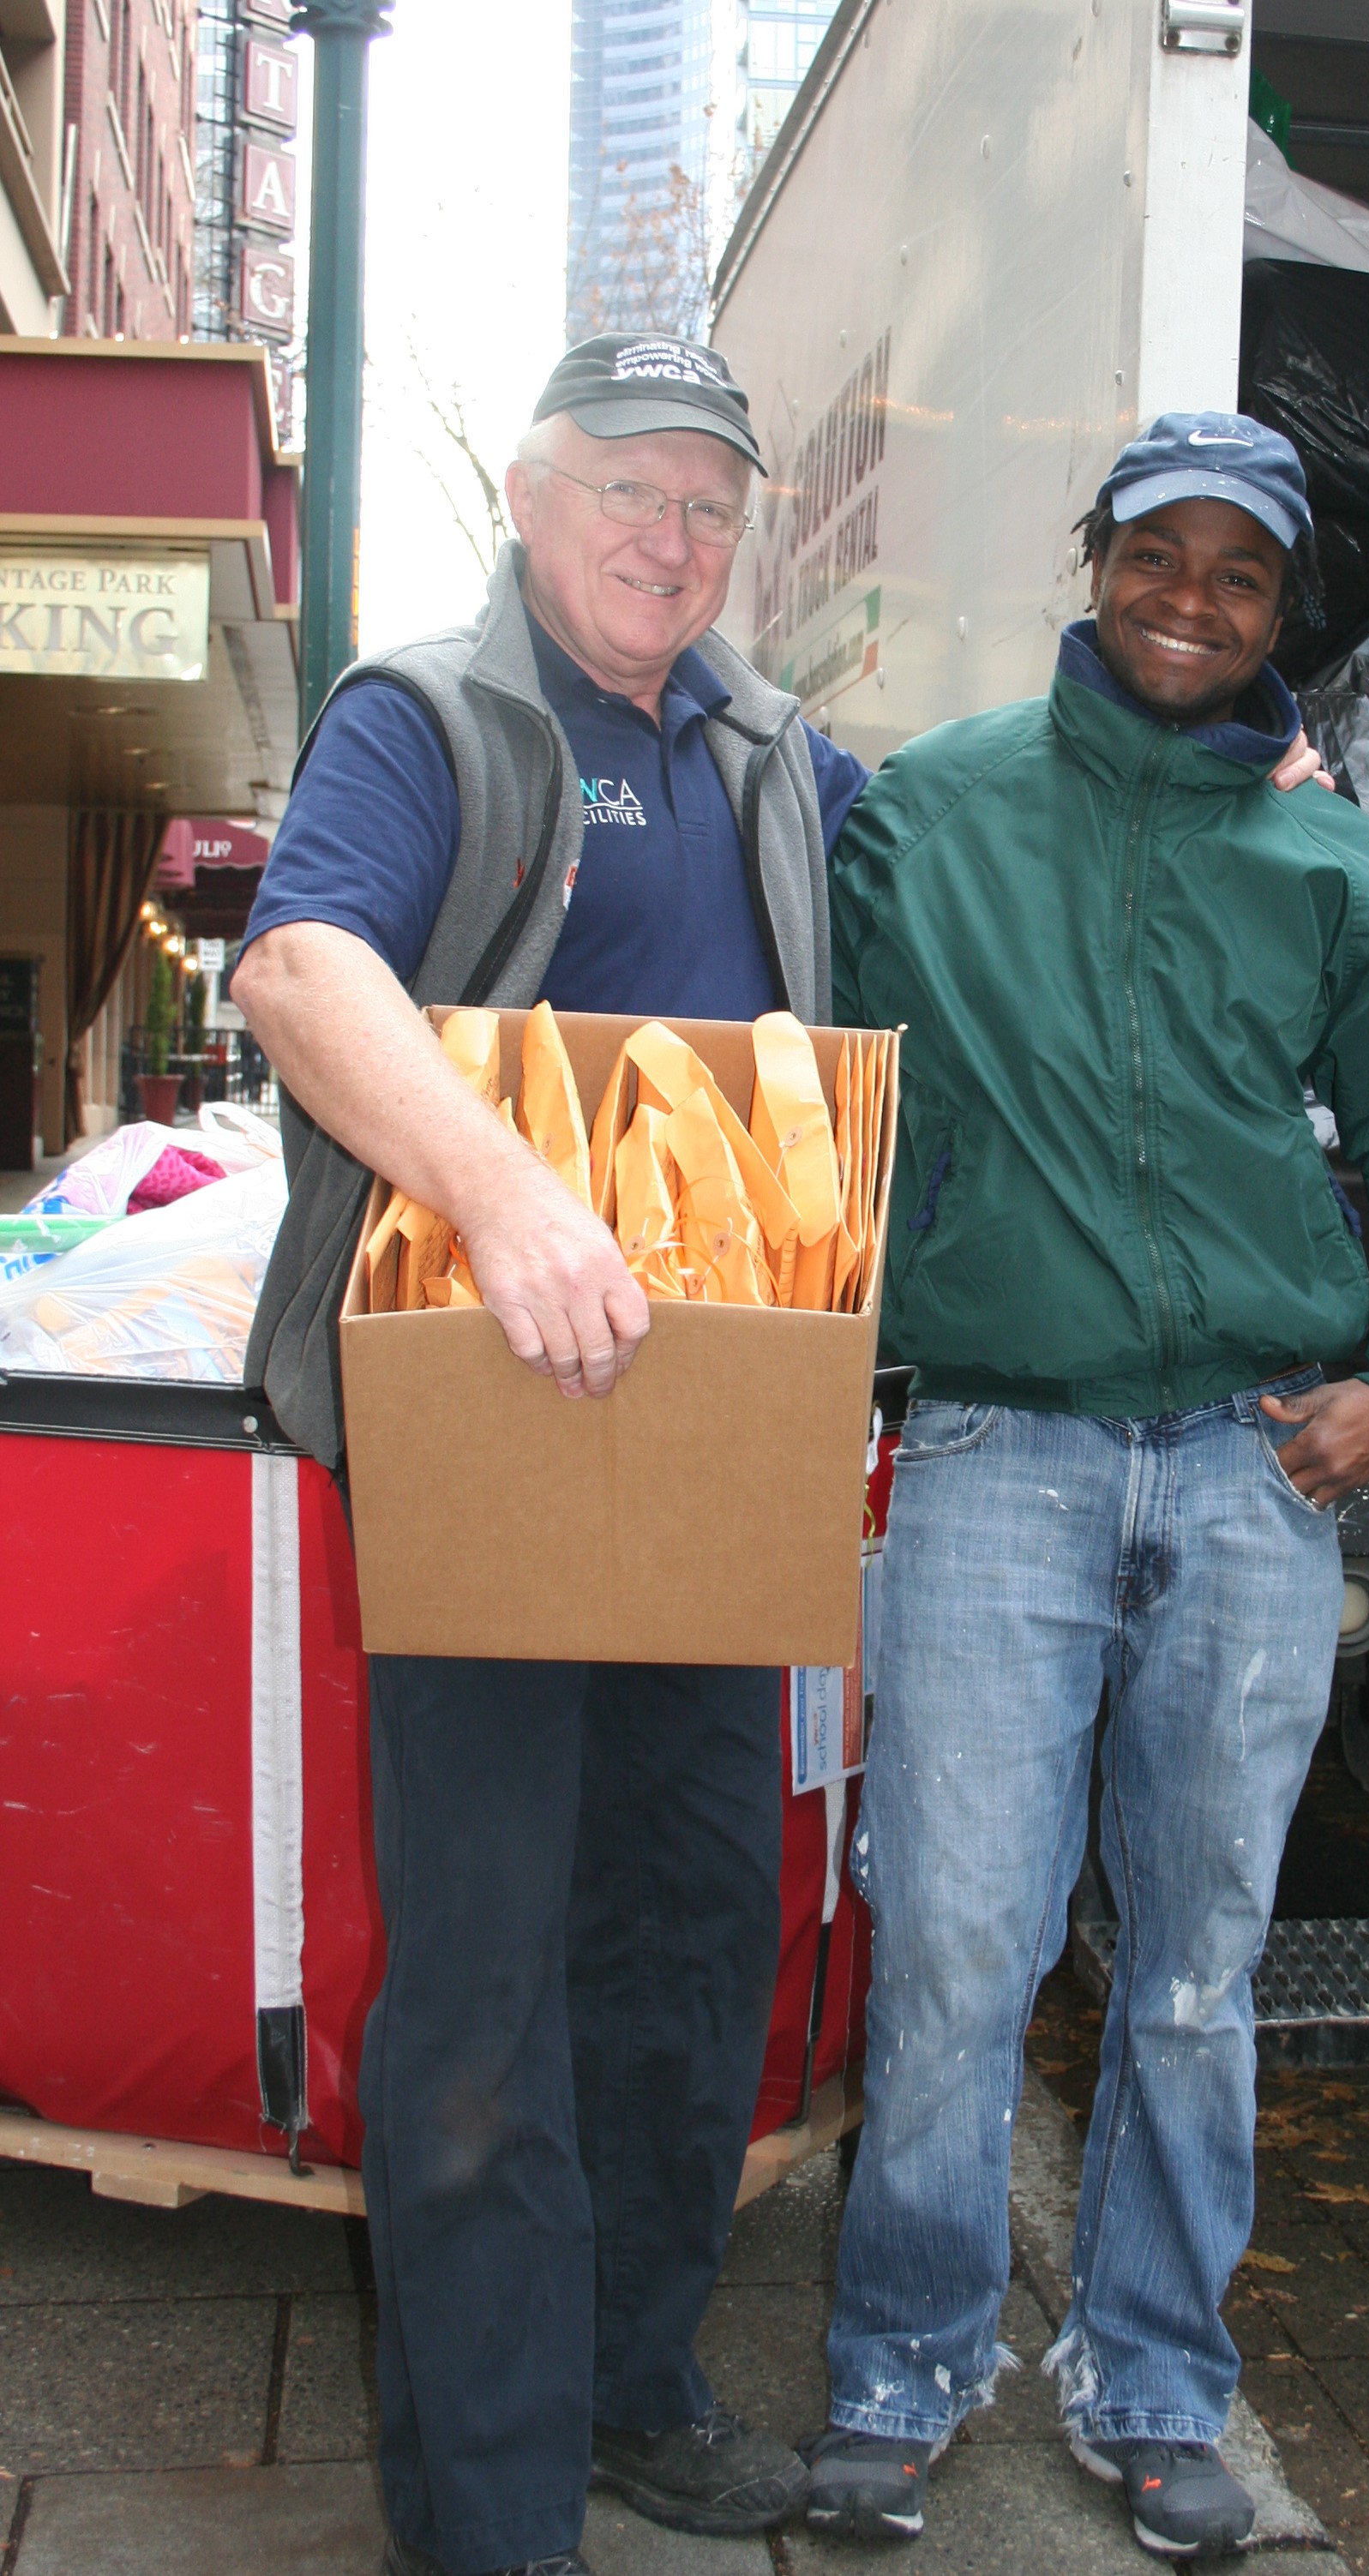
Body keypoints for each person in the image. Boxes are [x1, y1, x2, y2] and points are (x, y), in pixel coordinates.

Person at [802, 415, 1369, 2556]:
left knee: (1200, 1961)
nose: (1190, 596)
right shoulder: (923, 819)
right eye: (1158, 553)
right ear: (1096, 560)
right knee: (952, 1940)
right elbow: (804, 1095)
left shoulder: (1333, 871)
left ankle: (1152, 2381)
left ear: (1281, 603)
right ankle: (903, 2367)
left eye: (1239, 569)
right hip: (989, 1460)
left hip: (1251, 1474)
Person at [232, 334, 874, 2576]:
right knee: (487, 1981)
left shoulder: (774, 752)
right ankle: (491, 2503)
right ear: (527, 492)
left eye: (710, 502)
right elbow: (302, 971)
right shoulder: (433, 713)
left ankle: (631, 2376)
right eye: (626, 487)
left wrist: (1231, 762)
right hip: (484, 1406)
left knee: (695, 1934)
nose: (670, 538)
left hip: (704, 1431)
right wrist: (512, 1197)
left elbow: (972, 852)